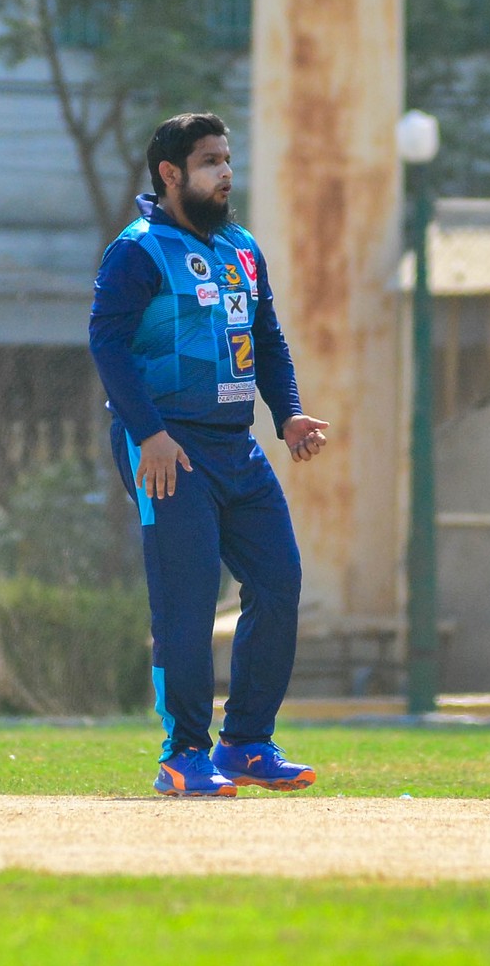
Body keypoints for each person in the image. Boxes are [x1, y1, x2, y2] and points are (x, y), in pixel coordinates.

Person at [88, 112, 330, 798]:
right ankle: (184, 754)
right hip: (166, 448)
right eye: (209, 162)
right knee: (187, 600)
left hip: (235, 444)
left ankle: (247, 742)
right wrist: (150, 434)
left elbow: (267, 337)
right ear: (171, 174)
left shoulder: (240, 248)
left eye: (227, 159)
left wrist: (287, 414)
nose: (226, 173)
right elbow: (107, 344)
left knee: (279, 583)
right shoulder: (138, 251)